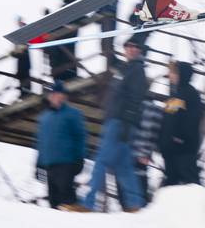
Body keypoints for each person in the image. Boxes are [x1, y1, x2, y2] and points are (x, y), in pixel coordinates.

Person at [62, 38, 149, 212]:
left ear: (140, 50)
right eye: (128, 46)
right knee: (123, 166)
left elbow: (135, 100)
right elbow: (108, 50)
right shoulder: (125, 68)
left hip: (120, 123)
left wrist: (125, 125)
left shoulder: (137, 70)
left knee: (101, 160)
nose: (131, 49)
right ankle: (135, 204)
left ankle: (88, 202)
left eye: (135, 47)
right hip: (115, 121)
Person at [35, 80, 86, 209]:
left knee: (67, 200)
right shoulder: (44, 117)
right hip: (49, 164)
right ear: (50, 97)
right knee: (53, 201)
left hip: (66, 162)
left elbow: (80, 137)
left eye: (60, 95)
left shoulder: (73, 113)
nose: (57, 97)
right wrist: (38, 164)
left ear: (64, 97)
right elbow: (41, 142)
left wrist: (80, 159)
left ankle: (79, 225)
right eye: (54, 95)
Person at [159, 60, 203, 186]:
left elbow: (192, 120)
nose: (170, 75)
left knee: (190, 181)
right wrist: (163, 142)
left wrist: (180, 138)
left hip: (183, 149)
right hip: (171, 150)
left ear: (181, 74)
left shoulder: (189, 94)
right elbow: (168, 120)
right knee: (170, 184)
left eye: (172, 72)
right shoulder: (175, 95)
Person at [116, 98, 163, 206]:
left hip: (133, 151)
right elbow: (154, 135)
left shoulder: (138, 108)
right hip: (144, 152)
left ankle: (129, 205)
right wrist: (147, 152)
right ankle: (140, 205)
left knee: (128, 179)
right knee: (140, 177)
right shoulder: (157, 112)